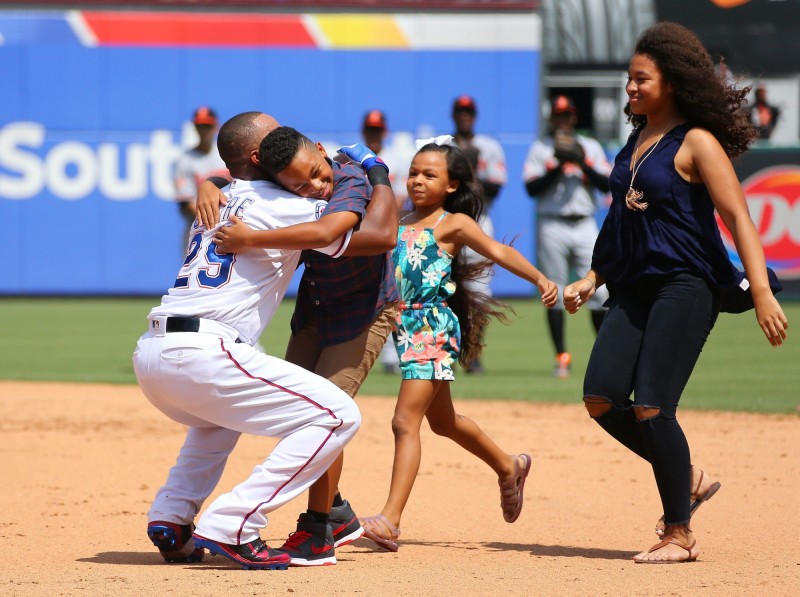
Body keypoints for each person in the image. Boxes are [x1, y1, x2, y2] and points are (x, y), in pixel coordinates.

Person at [563, 22, 789, 564]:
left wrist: (761, 292)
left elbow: (738, 217)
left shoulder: (697, 142)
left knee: (651, 406)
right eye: (629, 78)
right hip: (635, 287)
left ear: (672, 82)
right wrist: (593, 277)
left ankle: (678, 533)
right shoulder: (634, 143)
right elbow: (620, 223)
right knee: (600, 397)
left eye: (642, 78)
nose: (631, 87)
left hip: (687, 285)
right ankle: (687, 475)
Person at [135, 111, 363, 571]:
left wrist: (211, 181)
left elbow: (229, 182)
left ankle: (172, 518)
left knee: (218, 421)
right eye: (276, 136)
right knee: (339, 416)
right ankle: (233, 522)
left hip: (154, 352)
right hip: (206, 350)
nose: (286, 139)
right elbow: (369, 232)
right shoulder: (285, 203)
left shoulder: (218, 198)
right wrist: (367, 171)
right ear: (260, 157)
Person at [198, 126, 399, 566]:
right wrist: (209, 184)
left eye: (316, 173)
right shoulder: (283, 187)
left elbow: (381, 236)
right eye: (301, 185)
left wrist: (377, 170)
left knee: (329, 411)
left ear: (322, 151)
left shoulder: (349, 178)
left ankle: (319, 530)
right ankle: (338, 511)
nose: (315, 186)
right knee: (301, 415)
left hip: (363, 310)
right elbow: (240, 182)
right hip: (315, 307)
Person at [358, 140, 558, 552]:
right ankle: (509, 465)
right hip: (400, 326)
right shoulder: (397, 219)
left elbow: (499, 252)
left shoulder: (453, 224)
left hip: (432, 327)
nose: (417, 180)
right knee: (443, 422)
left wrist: (541, 280)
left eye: (429, 175)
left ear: (451, 185)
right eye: (414, 172)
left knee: (404, 421)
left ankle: (390, 521)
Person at [522, 95, 612, 378]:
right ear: (552, 118)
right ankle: (562, 357)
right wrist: (560, 165)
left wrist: (581, 162)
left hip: (585, 223)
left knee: (600, 291)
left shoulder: (589, 146)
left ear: (573, 117)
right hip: (553, 223)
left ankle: (606, 356)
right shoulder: (541, 148)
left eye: (567, 115)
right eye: (558, 115)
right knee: (555, 291)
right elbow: (531, 188)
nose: (562, 120)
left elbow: (607, 183)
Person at [450, 95, 508, 373]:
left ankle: (473, 353)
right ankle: (447, 352)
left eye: (469, 112)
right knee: (442, 288)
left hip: (479, 219)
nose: (465, 116)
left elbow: (496, 188)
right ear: (454, 115)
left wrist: (470, 174)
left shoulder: (489, 146)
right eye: (461, 111)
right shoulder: (444, 146)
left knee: (480, 292)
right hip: (448, 220)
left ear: (475, 116)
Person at [359, 109, 405, 375]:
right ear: (363, 131)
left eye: (377, 130)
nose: (373, 134)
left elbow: (400, 199)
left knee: (392, 291)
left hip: (388, 231)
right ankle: (375, 353)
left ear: (384, 131)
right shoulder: (353, 160)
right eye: (370, 129)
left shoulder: (395, 159)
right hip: (362, 233)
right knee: (368, 293)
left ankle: (392, 353)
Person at [173, 106, 229, 249]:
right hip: (200, 229)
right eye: (200, 126)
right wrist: (216, 221)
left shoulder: (227, 153)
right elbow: (186, 203)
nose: (204, 130)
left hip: (231, 224)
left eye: (207, 126)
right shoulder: (185, 160)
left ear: (216, 126)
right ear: (195, 127)